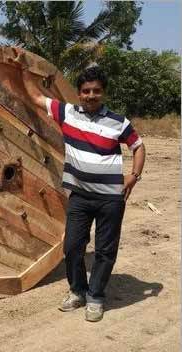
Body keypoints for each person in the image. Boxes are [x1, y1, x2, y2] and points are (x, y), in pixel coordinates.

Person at [17, 54, 146, 322]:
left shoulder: (118, 122)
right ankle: (78, 291)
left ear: (103, 93)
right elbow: (36, 98)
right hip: (80, 197)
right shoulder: (67, 113)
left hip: (111, 199)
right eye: (86, 91)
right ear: (78, 93)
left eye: (96, 91)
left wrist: (134, 176)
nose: (91, 95)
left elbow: (138, 146)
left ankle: (96, 296)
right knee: (73, 247)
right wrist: (23, 68)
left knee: (105, 250)